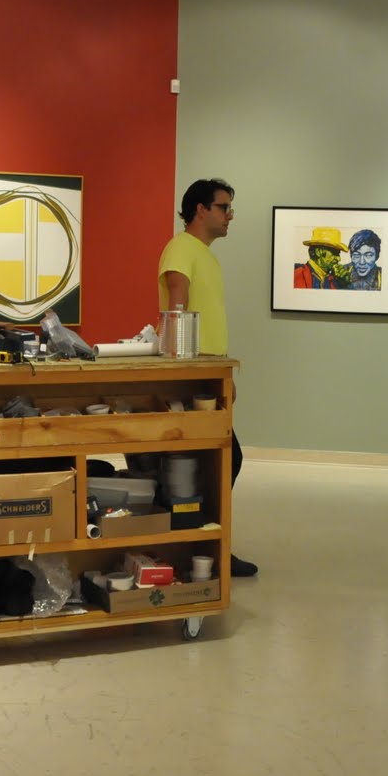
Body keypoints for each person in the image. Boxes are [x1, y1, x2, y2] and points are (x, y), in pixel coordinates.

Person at [157, 178, 257, 578]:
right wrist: (187, 369)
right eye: (223, 207)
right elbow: (177, 302)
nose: (230, 215)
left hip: (209, 372)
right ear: (201, 209)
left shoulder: (205, 256)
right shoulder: (181, 248)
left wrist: (223, 375)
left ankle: (209, 544)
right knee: (217, 461)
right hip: (192, 373)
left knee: (217, 461)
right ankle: (205, 546)